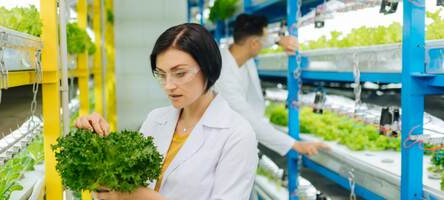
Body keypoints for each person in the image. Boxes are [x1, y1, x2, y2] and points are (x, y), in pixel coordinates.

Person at [75, 23, 258, 200]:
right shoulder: (156, 119)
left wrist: (140, 197)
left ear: (208, 68)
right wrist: (98, 147)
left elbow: (133, 194)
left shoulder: (237, 135)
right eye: (161, 75)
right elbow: (123, 185)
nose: (168, 86)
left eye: (180, 73)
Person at [214, 14, 328, 156]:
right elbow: (249, 120)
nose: (265, 44)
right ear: (254, 43)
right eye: (263, 39)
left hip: (240, 138)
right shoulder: (222, 75)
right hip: (225, 147)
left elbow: (261, 39)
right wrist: (295, 144)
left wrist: (278, 40)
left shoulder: (240, 50)